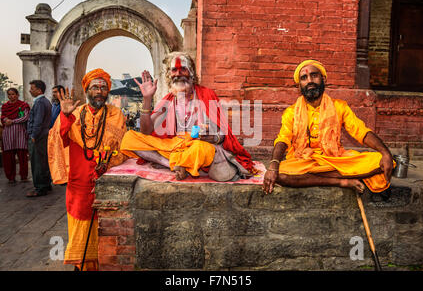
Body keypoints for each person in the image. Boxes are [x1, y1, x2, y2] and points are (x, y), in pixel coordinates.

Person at [263, 60, 395, 195]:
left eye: (314, 75)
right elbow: (283, 139)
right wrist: (273, 165)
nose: (310, 81)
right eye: (304, 78)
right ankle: (341, 181)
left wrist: (385, 152)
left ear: (323, 79)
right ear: (299, 86)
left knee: (382, 160)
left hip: (335, 159)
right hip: (302, 161)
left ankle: (323, 176)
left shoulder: (339, 106)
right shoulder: (291, 112)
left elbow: (361, 132)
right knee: (280, 174)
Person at [120, 52, 255, 181]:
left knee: (202, 149)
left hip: (196, 146)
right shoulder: (169, 100)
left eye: (183, 69)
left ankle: (178, 163)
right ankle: (173, 165)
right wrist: (147, 98)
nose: (178, 74)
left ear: (191, 73)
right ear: (169, 75)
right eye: (174, 70)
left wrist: (213, 137)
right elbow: (146, 131)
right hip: (174, 146)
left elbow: (223, 135)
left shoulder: (206, 95)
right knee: (129, 138)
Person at [49, 68, 127, 271]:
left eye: (103, 87)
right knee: (81, 226)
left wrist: (107, 163)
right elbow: (59, 140)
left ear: (108, 91)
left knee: (106, 226)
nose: (99, 91)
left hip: (106, 180)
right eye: (95, 87)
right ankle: (82, 265)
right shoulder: (74, 113)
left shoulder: (116, 114)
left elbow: (122, 147)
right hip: (79, 183)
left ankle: (104, 263)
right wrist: (64, 116)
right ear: (87, 90)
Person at [26, 80, 52, 197]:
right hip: (43, 135)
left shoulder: (40, 102)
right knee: (43, 161)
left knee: (37, 163)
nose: (30, 91)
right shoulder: (45, 101)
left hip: (38, 136)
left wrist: (33, 135)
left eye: (32, 88)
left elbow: (38, 121)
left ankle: (40, 188)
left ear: (39, 90)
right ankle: (46, 184)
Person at [0, 88, 30, 184]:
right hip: (8, 134)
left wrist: (12, 121)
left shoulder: (23, 105)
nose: (11, 96)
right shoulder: (5, 106)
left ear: (17, 95)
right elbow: (2, 117)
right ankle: (11, 177)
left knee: (22, 157)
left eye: (13, 94)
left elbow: (26, 117)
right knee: (8, 157)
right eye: (9, 94)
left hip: (20, 134)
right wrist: (5, 120)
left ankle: (24, 176)